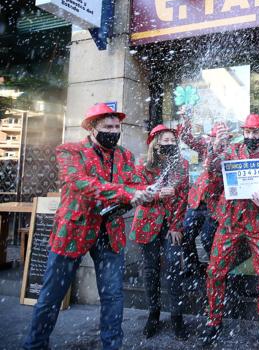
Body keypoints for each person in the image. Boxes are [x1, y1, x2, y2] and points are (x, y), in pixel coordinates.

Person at [23, 103, 153, 350]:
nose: (114, 131)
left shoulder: (125, 155)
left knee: (113, 296)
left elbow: (135, 181)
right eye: (108, 126)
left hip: (110, 232)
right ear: (93, 128)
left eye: (117, 127)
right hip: (73, 231)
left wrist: (145, 192)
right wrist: (127, 192)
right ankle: (35, 345)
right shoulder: (69, 151)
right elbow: (81, 183)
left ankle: (112, 346)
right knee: (51, 296)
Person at [200, 114, 259, 346]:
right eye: (248, 132)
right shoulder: (232, 151)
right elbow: (211, 172)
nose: (251, 136)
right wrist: (214, 149)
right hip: (230, 221)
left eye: (255, 132)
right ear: (243, 132)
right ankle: (214, 320)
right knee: (215, 271)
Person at [130, 125, 189, 340]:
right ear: (156, 143)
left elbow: (184, 196)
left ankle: (177, 317)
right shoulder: (143, 166)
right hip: (148, 224)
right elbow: (136, 194)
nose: (170, 143)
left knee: (174, 267)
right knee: (150, 270)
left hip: (171, 226)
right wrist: (157, 195)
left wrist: (176, 225)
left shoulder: (182, 165)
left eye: (173, 140)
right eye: (165, 140)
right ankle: (153, 314)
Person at [177, 119, 221, 279]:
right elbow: (186, 137)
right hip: (196, 202)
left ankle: (215, 270)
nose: (213, 140)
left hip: (214, 205)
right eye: (212, 137)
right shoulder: (206, 147)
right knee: (186, 235)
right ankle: (192, 267)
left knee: (208, 239)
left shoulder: (231, 153)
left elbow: (212, 166)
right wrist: (187, 118)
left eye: (216, 137)